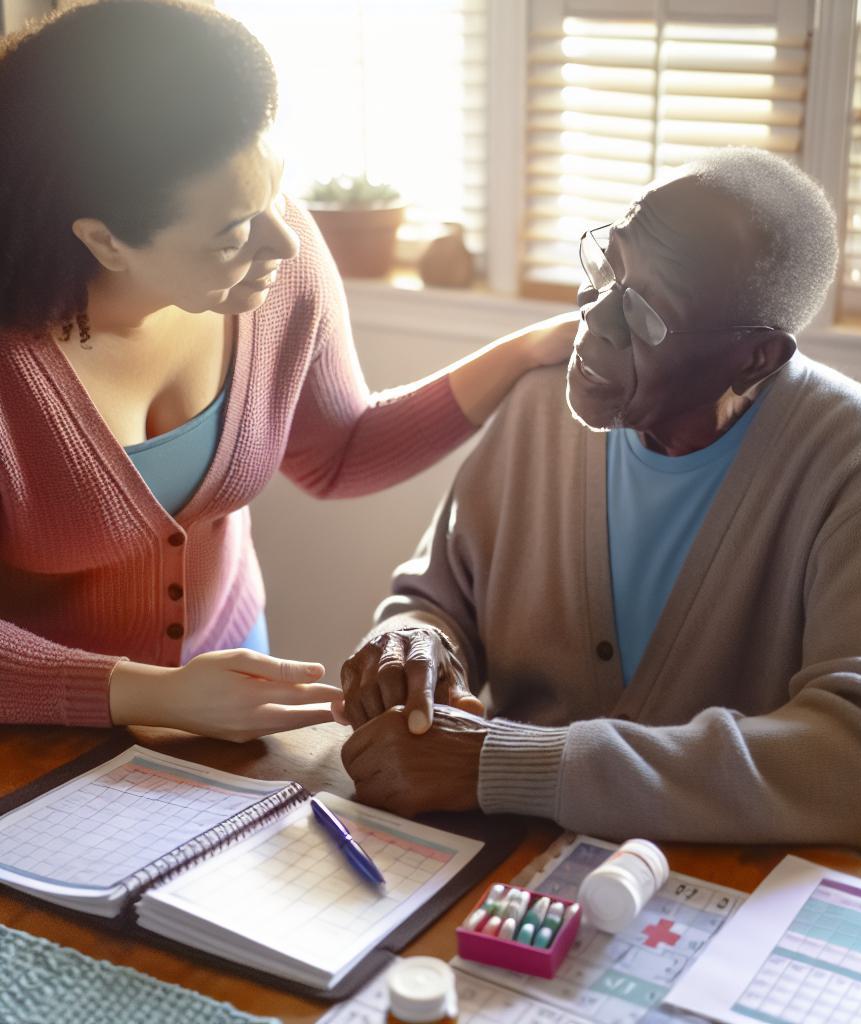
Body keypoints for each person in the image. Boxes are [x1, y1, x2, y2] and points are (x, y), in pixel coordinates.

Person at [336, 148, 861, 862]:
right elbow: (437, 598)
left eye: (649, 315)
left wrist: (512, 765)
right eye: (606, 267)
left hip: (743, 885)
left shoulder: (846, 450)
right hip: (520, 868)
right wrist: (416, 643)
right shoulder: (539, 407)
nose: (596, 319)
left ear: (756, 358)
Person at [0, 0, 575, 741]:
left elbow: (339, 452)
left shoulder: (276, 262)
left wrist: (521, 353)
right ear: (104, 240)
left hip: (226, 698)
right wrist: (157, 696)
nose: (280, 238)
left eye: (274, 192)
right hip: (36, 726)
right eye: (233, 230)